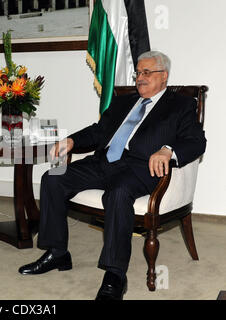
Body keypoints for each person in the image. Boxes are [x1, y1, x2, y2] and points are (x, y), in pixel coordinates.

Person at [18, 51, 206, 300]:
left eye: (147, 73)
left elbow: (196, 141)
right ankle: (57, 252)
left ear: (164, 77)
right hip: (103, 162)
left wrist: (168, 150)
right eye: (138, 72)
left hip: (140, 168)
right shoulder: (123, 102)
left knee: (118, 193)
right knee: (53, 177)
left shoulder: (180, 105)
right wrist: (72, 140)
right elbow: (98, 131)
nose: (140, 78)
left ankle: (115, 274)